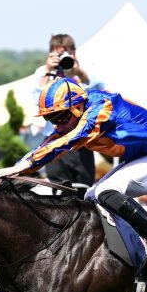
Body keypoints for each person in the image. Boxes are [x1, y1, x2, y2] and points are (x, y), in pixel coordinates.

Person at [0, 77, 147, 261]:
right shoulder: (72, 118)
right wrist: (17, 168)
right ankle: (121, 249)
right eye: (52, 119)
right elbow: (50, 143)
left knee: (105, 191)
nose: (58, 124)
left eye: (61, 116)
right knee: (91, 196)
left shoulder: (101, 107)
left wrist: (23, 166)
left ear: (78, 108)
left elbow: (69, 140)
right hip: (145, 156)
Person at [32, 33, 104, 190]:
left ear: (74, 52)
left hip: (81, 139)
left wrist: (78, 73)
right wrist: (49, 71)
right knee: (58, 188)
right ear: (51, 53)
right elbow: (38, 101)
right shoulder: (43, 72)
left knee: (84, 186)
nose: (64, 57)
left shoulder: (85, 68)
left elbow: (99, 94)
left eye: (68, 53)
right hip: (55, 138)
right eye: (60, 53)